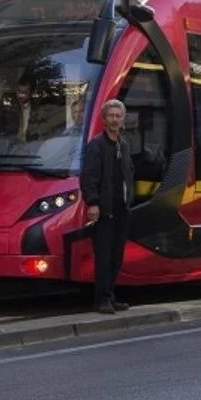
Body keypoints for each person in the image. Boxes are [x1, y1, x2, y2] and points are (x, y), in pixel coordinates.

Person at [80, 99, 134, 314]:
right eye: (110, 116)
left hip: (122, 209)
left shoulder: (125, 143)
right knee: (103, 257)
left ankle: (110, 296)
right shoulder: (97, 145)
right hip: (104, 210)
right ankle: (101, 300)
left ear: (122, 120)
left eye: (118, 116)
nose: (114, 119)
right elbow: (89, 177)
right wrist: (92, 203)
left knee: (116, 257)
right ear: (104, 120)